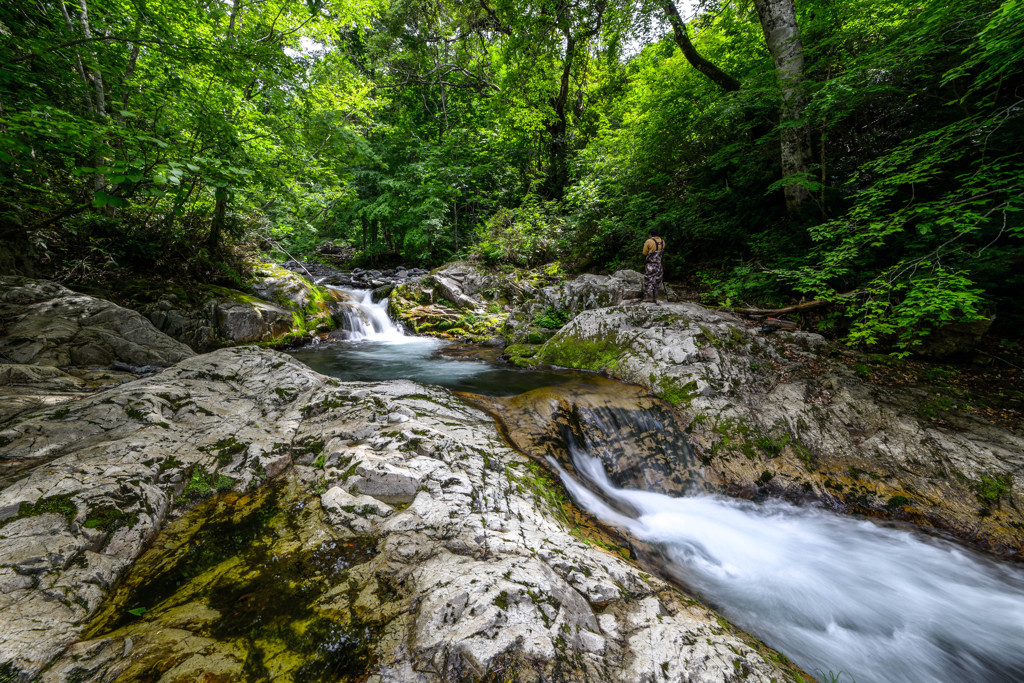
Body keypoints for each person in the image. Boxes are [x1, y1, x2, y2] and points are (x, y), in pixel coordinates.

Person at [641, 229, 665, 304]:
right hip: (659, 264)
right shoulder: (662, 241)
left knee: (649, 280)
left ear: (650, 234)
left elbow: (644, 253)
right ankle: (656, 298)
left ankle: (649, 298)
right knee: (657, 281)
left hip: (651, 265)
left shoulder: (649, 241)